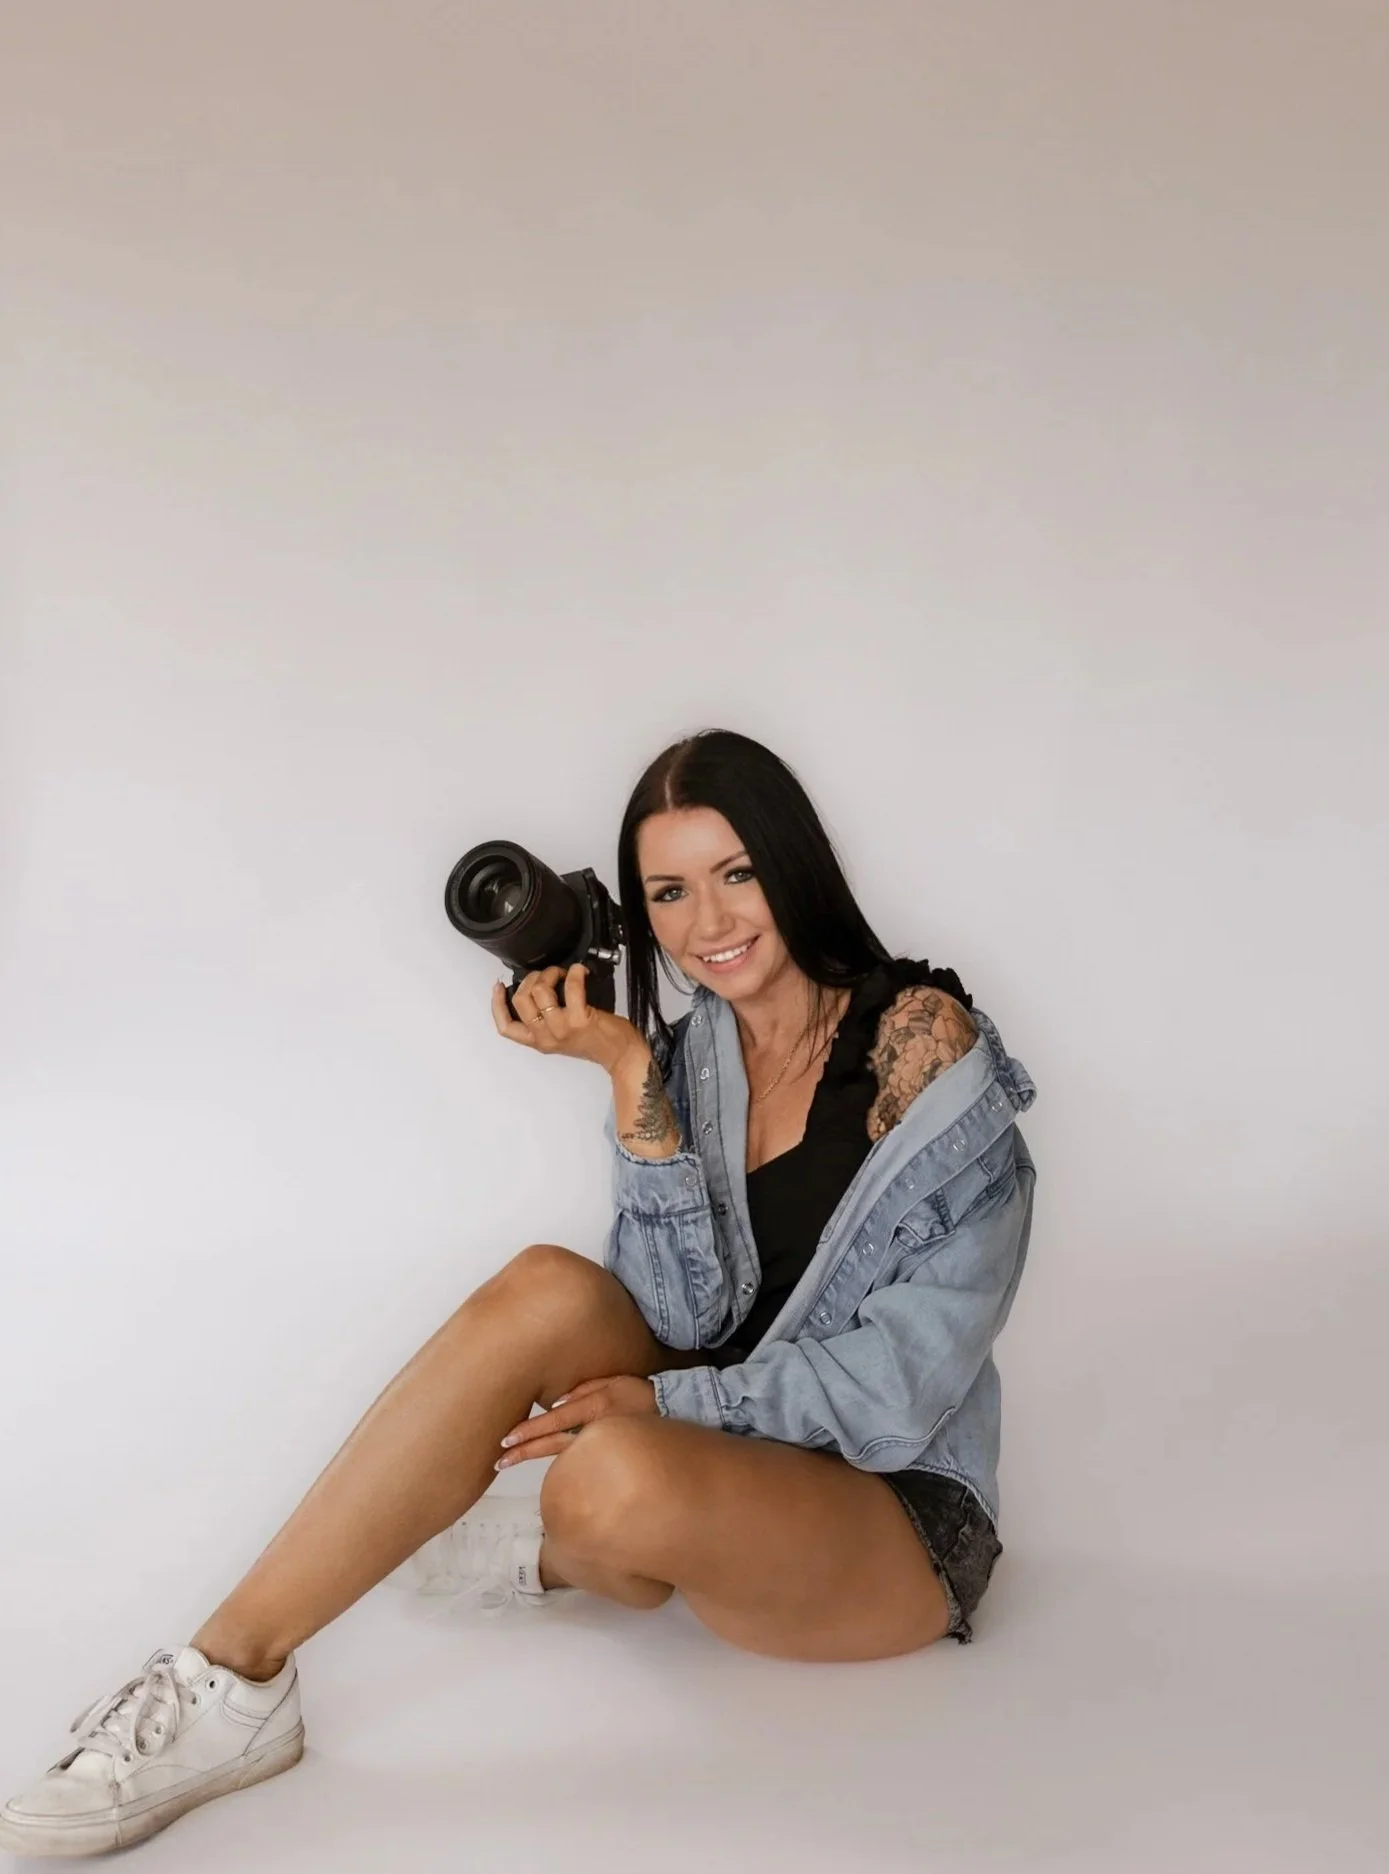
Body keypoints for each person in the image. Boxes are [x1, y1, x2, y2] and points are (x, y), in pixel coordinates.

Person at [0, 728, 1037, 1859]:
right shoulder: (694, 1054)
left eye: (738, 872)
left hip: (886, 1515)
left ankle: (552, 1541)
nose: (711, 924)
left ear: (796, 863)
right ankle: (231, 1683)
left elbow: (899, 1389)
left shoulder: (930, 1060)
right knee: (548, 1285)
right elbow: (677, 1320)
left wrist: (669, 1411)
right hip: (728, 1452)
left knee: (611, 1482)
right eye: (670, 892)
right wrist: (630, 1073)